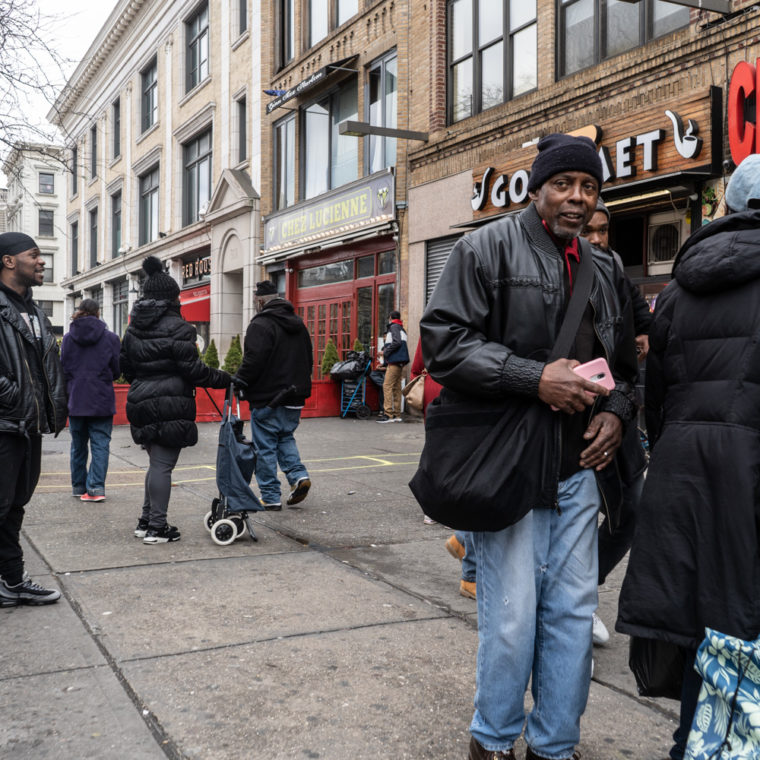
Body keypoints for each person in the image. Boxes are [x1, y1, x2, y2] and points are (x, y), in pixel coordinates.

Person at [420, 133, 638, 760]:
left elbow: (625, 367)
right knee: (512, 618)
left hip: (578, 469)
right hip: (508, 467)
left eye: (589, 187)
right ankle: (491, 741)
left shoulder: (605, 269)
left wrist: (619, 412)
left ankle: (554, 744)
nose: (577, 198)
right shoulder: (482, 247)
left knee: (571, 617)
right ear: (536, 187)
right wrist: (533, 377)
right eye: (564, 184)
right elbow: (445, 346)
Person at [617, 154, 760, 760]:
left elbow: (657, 397)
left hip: (683, 472)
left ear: (726, 207)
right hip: (747, 472)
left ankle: (695, 743)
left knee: (706, 623)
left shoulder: (679, 287)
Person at [580, 198, 651, 646]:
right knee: (580, 517)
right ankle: (574, 607)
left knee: (633, 510)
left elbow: (639, 313)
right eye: (590, 231)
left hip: (617, 413)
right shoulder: (557, 273)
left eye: (604, 230)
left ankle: (582, 591)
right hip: (570, 422)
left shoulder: (616, 270)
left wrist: (644, 332)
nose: (599, 239)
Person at [120, 256, 230, 544]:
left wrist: (147, 384)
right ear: (172, 298)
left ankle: (146, 522)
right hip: (170, 403)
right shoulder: (181, 328)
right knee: (163, 465)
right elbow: (194, 371)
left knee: (156, 463)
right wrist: (226, 379)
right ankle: (157, 527)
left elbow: (126, 369)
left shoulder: (132, 329)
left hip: (141, 399)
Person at [0, 232, 67, 606]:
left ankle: (11, 580)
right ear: (9, 261)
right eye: (34, 255)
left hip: (28, 426)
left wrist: (50, 406)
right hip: (6, 423)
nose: (42, 261)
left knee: (14, 505)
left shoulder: (35, 310)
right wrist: (15, 397)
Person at [235, 280, 312, 511]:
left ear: (260, 301)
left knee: (265, 446)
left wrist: (239, 382)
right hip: (295, 396)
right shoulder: (299, 325)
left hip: (268, 398)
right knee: (285, 437)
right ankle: (298, 476)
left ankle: (270, 496)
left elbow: (252, 360)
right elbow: (308, 359)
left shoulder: (261, 324)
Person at [61, 299, 121, 503]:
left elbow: (64, 369)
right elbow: (116, 369)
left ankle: (79, 486)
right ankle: (95, 488)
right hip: (101, 398)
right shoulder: (111, 338)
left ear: (79, 312)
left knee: (78, 445)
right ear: (98, 313)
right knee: (100, 444)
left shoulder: (68, 339)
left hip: (76, 398)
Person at [377, 310, 409, 423]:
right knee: (396, 388)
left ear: (390, 317)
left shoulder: (394, 327)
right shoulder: (401, 328)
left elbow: (397, 343)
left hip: (394, 363)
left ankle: (388, 414)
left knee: (386, 386)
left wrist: (385, 352)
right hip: (400, 362)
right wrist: (384, 364)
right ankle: (397, 415)